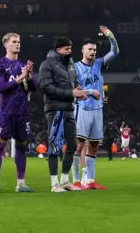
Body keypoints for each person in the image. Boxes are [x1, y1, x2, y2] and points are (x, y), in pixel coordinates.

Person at [71, 26, 119, 190]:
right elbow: (74, 91)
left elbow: (115, 52)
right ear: (83, 50)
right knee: (78, 145)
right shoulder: (75, 67)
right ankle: (76, 180)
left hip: (97, 109)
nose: (93, 52)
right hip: (82, 108)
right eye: (90, 49)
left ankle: (90, 180)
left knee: (93, 145)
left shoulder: (99, 63)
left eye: (95, 49)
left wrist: (110, 36)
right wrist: (91, 92)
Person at [39, 37, 89, 193]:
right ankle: (54, 184)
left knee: (72, 145)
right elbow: (46, 87)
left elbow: (72, 84)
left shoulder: (71, 64)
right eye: (67, 48)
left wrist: (78, 91)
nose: (70, 51)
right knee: (54, 146)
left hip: (68, 109)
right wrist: (71, 93)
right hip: (55, 110)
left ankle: (65, 180)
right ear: (58, 49)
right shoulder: (47, 64)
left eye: (70, 48)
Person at [0, 32, 38, 193]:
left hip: (22, 111)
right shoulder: (0, 64)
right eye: (14, 42)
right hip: (6, 112)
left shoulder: (23, 65)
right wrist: (20, 78)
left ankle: (21, 183)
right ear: (6, 45)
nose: (17, 44)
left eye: (19, 42)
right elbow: (0, 88)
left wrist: (29, 77)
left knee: (21, 146)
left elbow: (35, 88)